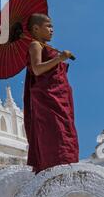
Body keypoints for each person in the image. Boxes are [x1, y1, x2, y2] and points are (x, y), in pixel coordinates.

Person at [23, 13, 79, 174]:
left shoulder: (45, 46)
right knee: (55, 132)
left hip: (59, 97)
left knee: (66, 132)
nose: (52, 30)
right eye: (48, 26)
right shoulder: (35, 45)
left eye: (52, 26)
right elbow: (37, 69)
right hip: (48, 98)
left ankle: (67, 164)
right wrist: (60, 58)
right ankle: (53, 168)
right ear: (36, 28)